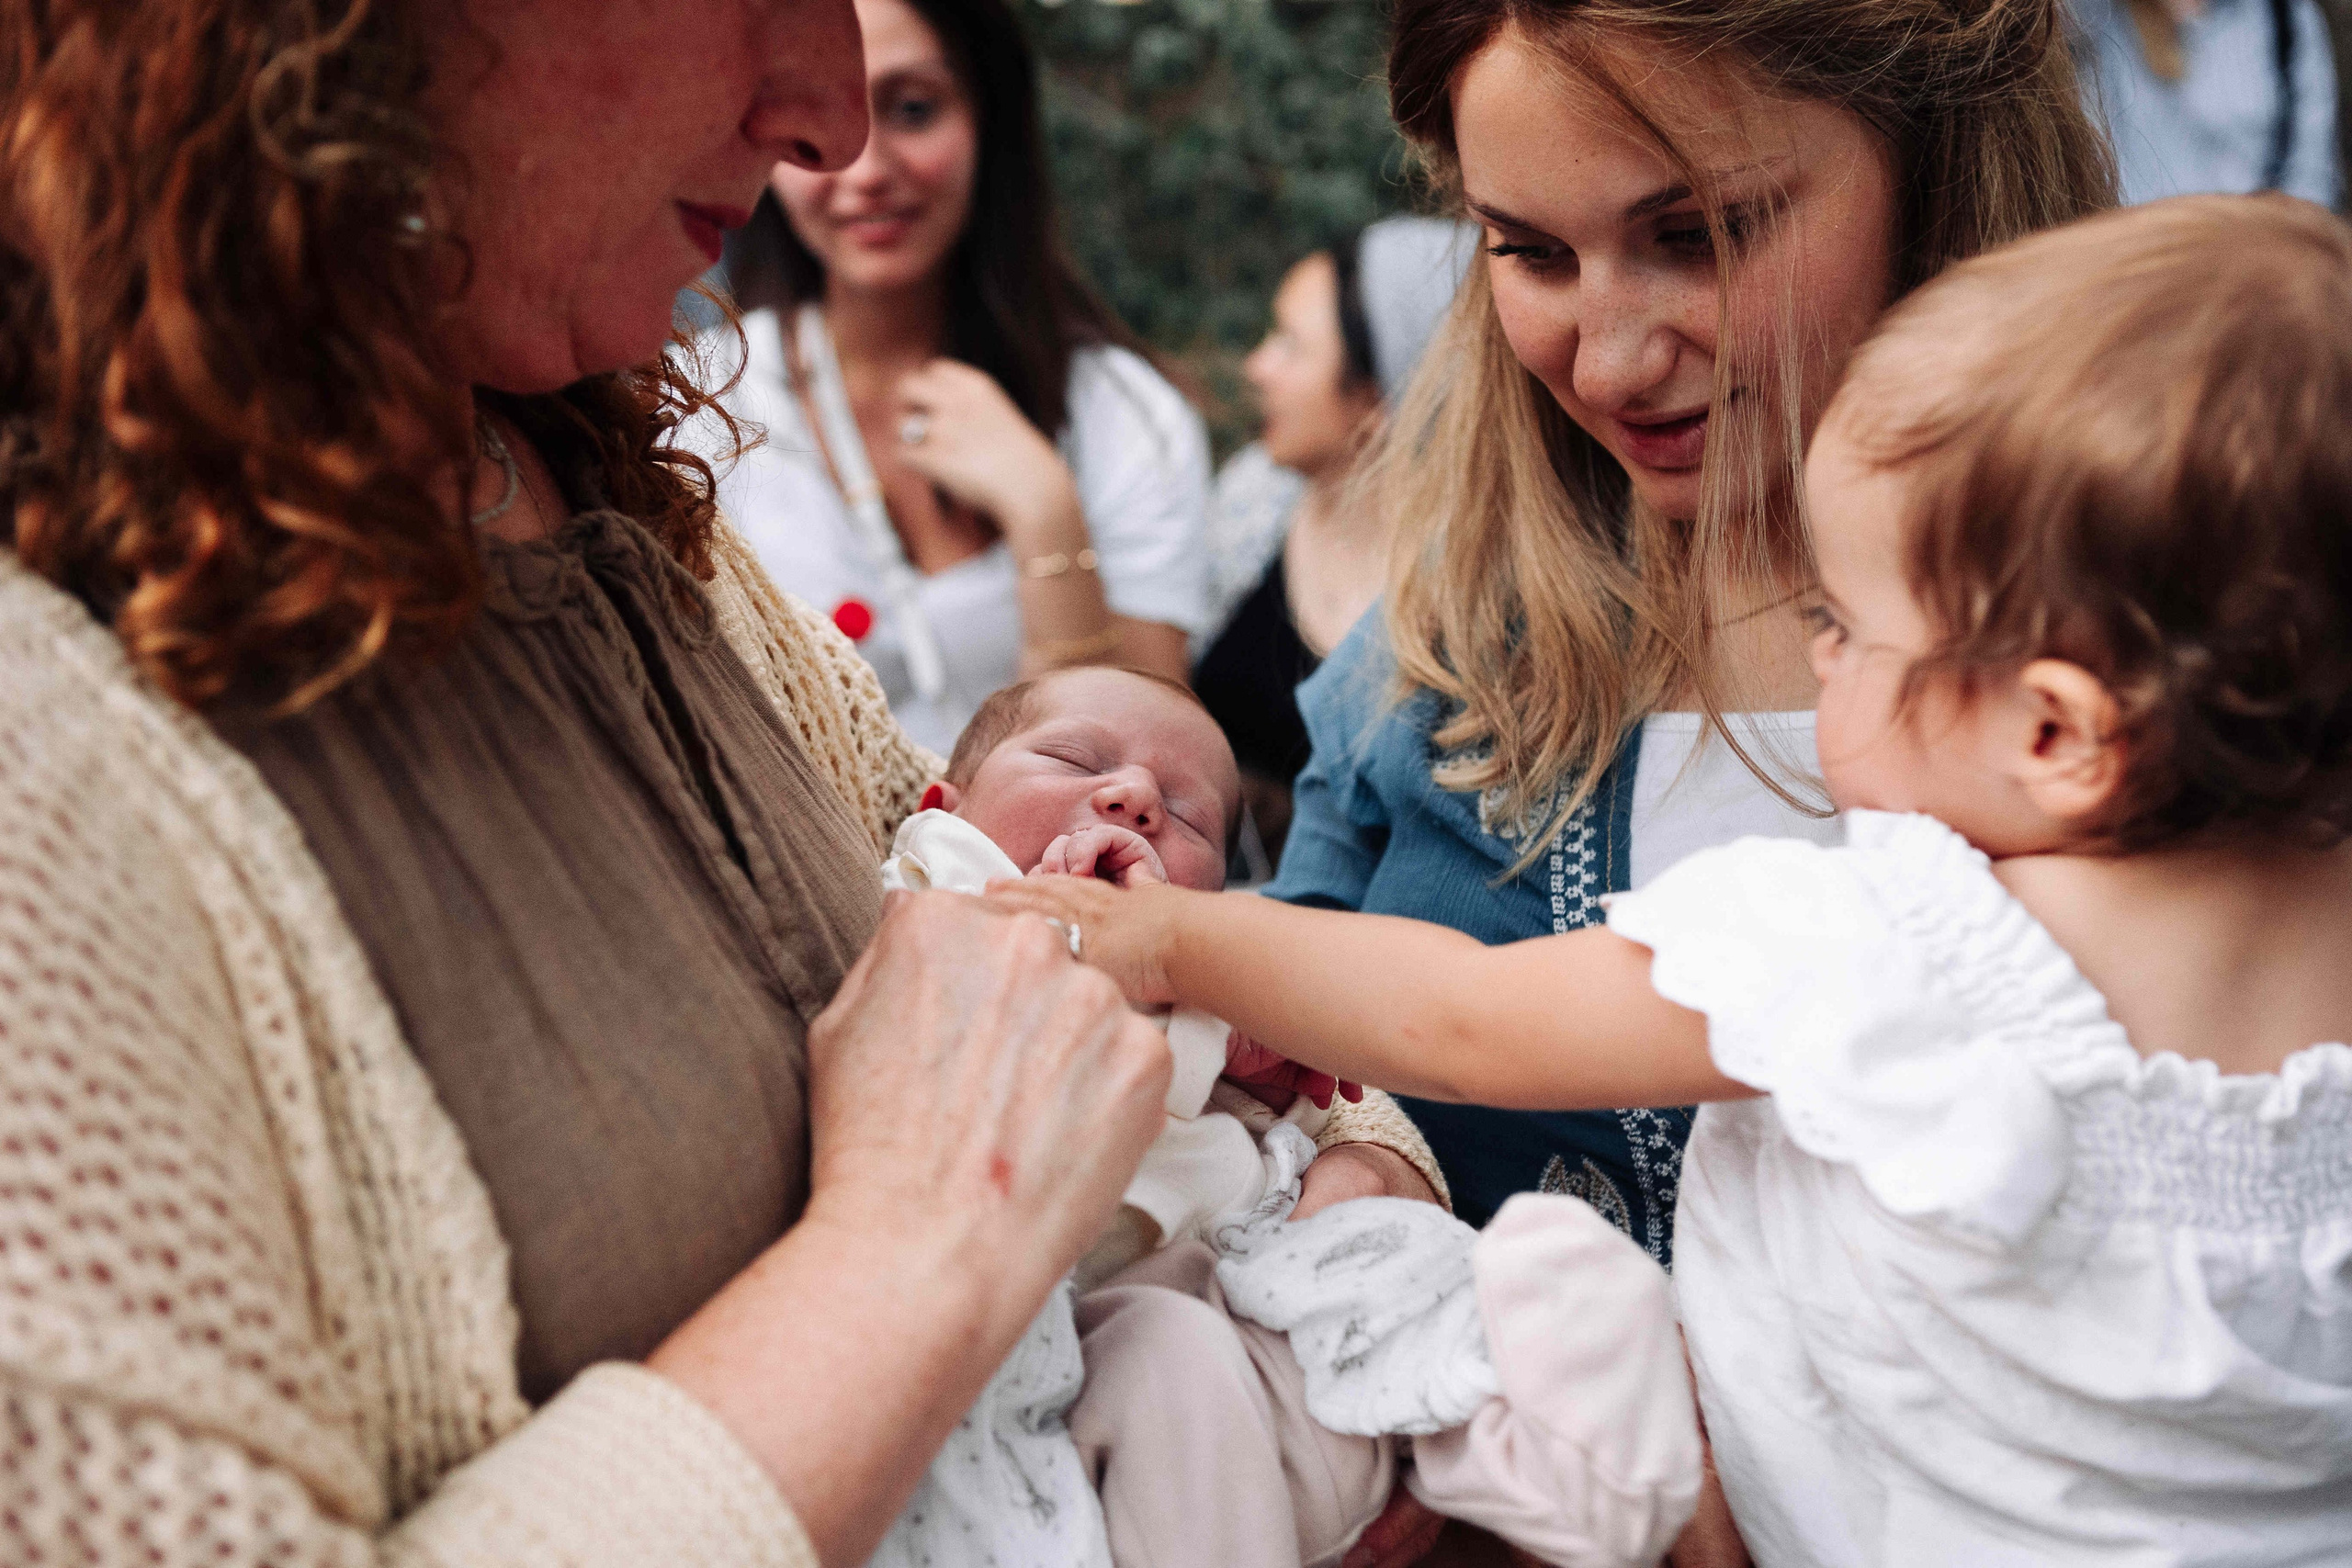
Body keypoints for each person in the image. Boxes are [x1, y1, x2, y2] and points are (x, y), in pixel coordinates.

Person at [0, 2, 1438, 1562]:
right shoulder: (51, 750)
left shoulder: (610, 502)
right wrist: (919, 1242)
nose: (829, 118)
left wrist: (1362, 1168)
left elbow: (1077, 896)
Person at [992, 192, 2352, 1565]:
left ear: (2053, 734)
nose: (1815, 656)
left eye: (1844, 626)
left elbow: (1465, 1017)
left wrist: (1171, 937)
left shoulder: (1893, 937)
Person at [1262, 0, 2117, 1253]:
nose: (1607, 366)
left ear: (1939, 162)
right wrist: (1359, 1136)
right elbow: (1269, 1053)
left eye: (1697, 234)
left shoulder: (2192, 655)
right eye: (1531, 252)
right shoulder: (1440, 650)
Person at [892, 667, 1703, 1568]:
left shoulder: (1200, 959)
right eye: (1075, 760)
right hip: (1068, 1346)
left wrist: (1263, 1052)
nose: (1133, 798)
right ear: (942, 804)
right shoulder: (931, 886)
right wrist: (1100, 950)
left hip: (1251, 1306)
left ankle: (1537, 1460)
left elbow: (1327, 1097)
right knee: (1169, 1357)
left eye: (1188, 817)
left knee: (1485, 1269)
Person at [691, 0, 1211, 755]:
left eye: (913, 109)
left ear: (988, 119)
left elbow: (1146, 771)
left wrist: (1046, 517)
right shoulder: (696, 407)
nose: (867, 170)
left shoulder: (1123, 416)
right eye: (813, 114)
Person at [1194, 218, 1476, 874]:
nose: (1257, 366)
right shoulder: (1256, 499)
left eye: (1291, 346)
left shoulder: (1473, 588)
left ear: (1379, 397)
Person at [2070, 0, 2346, 207]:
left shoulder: (2285, 17)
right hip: (2133, 247)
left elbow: (2311, 173)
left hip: (2248, 249)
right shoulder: (2097, 15)